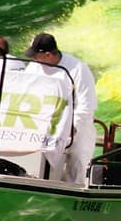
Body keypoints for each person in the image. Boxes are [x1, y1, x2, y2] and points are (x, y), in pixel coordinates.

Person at [24, 32, 98, 185]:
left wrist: (72, 129)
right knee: (43, 169)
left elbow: (86, 105)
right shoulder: (33, 68)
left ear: (48, 55)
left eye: (36, 56)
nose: (34, 60)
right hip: (42, 125)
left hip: (76, 128)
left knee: (77, 164)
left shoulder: (78, 69)